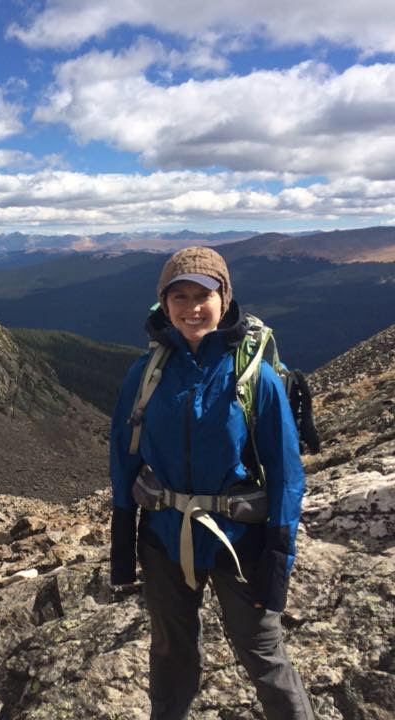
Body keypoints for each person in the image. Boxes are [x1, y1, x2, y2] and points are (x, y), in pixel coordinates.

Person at [109, 246, 314, 720]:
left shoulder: (253, 378)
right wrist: (123, 544)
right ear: (163, 304)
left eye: (203, 294)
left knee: (262, 653)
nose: (191, 307)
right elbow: (123, 454)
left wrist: (279, 558)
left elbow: (287, 474)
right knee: (170, 655)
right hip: (162, 537)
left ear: (224, 300)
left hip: (240, 541)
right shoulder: (146, 375)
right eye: (177, 296)